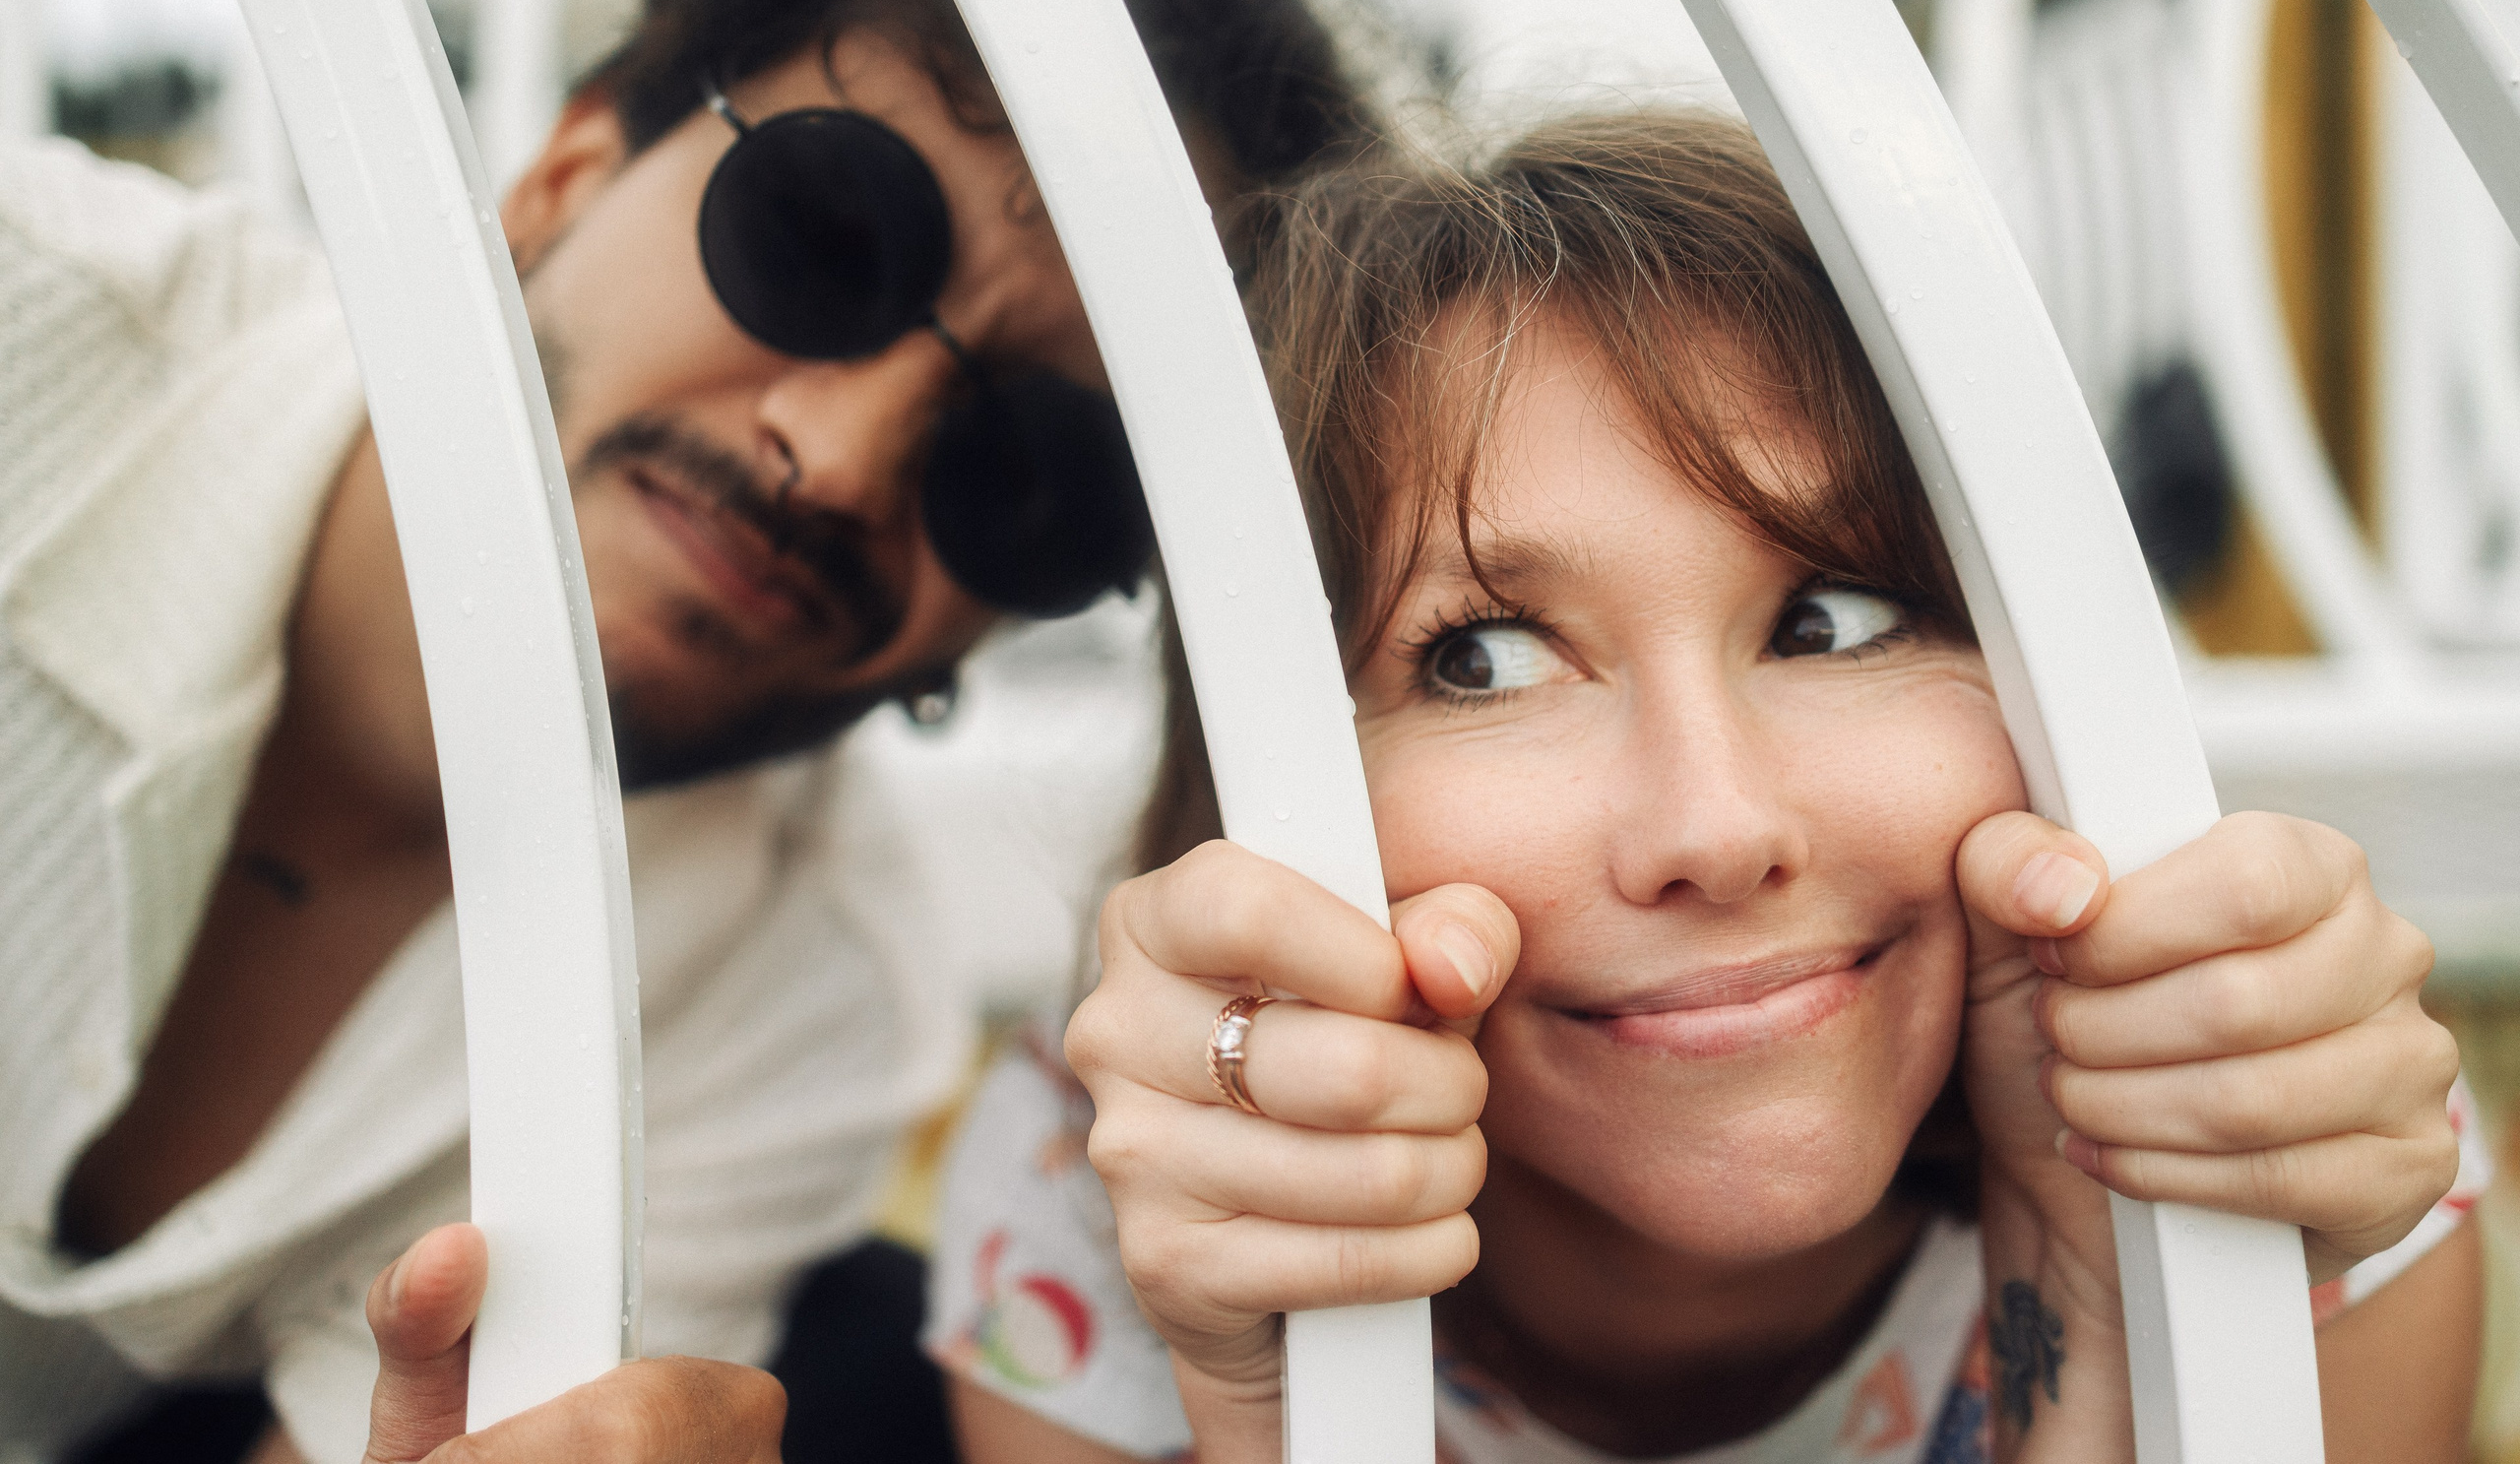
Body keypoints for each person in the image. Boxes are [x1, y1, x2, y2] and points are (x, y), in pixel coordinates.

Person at [0, 0, 1372, 1464]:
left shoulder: (806, 1007)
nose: (846, 459)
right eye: (822, 237)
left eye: (1037, 468)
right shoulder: (36, 332)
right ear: (564, 175)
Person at [925, 112, 2488, 1464]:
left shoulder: (2284, 1130)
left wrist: (2100, 1317)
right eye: (1482, 659)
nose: (1718, 829)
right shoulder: (1113, 1207)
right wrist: (1272, 1405)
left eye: (1835, 620)